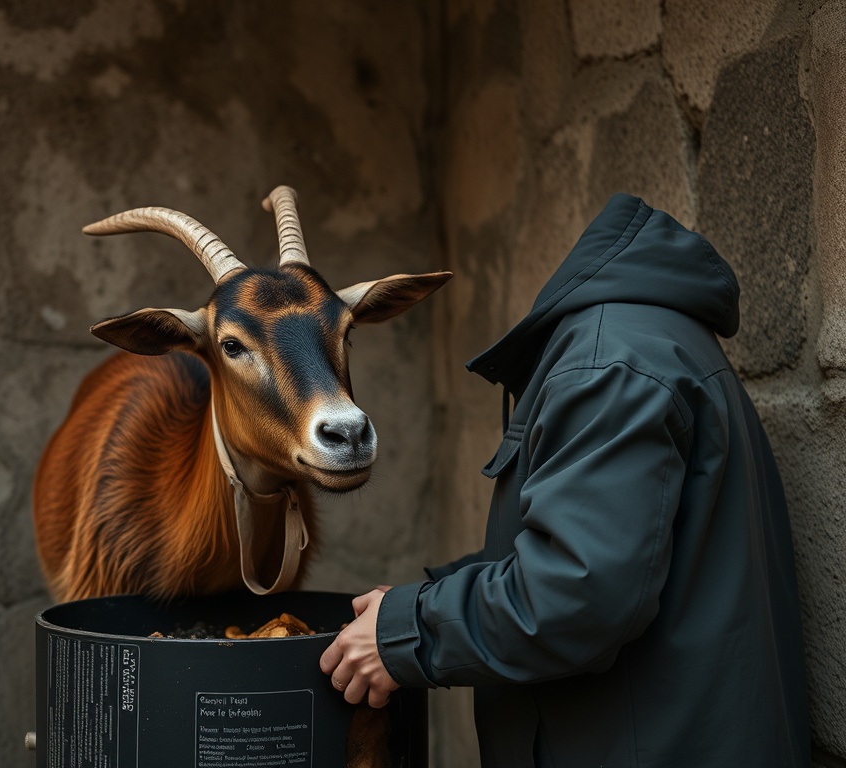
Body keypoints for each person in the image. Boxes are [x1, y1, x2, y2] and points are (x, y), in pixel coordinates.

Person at [320, 193, 811, 766]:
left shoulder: (609, 365)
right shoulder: (647, 344)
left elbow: (579, 593)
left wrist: (408, 632)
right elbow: (599, 556)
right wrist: (415, 602)